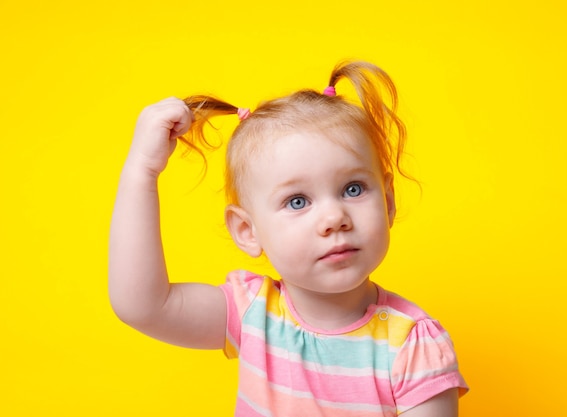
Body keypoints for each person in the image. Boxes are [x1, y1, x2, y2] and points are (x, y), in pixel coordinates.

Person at [109, 61, 468, 416]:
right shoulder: (252, 314)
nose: (334, 218)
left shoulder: (413, 346)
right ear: (248, 232)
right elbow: (141, 305)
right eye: (298, 201)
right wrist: (143, 170)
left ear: (388, 202)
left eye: (353, 188)